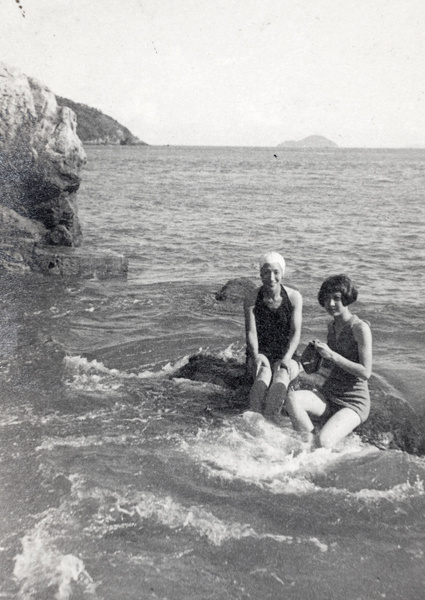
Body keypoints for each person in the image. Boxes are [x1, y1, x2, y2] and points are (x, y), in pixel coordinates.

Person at [286, 274, 372, 448]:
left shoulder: (360, 328)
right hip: (330, 395)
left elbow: (365, 372)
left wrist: (332, 355)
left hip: (354, 402)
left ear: (347, 298)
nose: (331, 304)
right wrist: (315, 357)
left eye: (337, 298)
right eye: (327, 299)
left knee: (324, 441)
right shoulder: (331, 326)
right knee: (292, 399)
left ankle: (317, 446)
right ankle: (308, 444)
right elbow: (332, 365)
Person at [244, 251, 302, 423]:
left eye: (276, 272)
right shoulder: (252, 298)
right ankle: (254, 420)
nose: (271, 277)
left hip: (287, 353)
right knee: (263, 375)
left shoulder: (294, 297)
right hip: (261, 352)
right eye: (266, 272)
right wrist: (256, 355)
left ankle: (270, 419)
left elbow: (296, 332)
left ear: (282, 273)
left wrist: (287, 357)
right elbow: (251, 332)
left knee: (282, 375)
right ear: (260, 273)